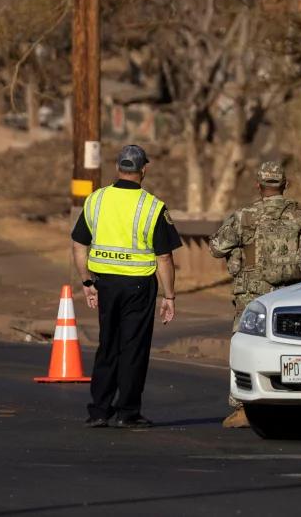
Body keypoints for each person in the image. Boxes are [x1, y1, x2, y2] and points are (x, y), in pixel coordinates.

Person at [209, 160, 301, 428]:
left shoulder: (245, 215)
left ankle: (242, 407)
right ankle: (294, 399)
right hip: (292, 291)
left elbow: (216, 247)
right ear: (286, 185)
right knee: (293, 345)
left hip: (253, 292)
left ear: (258, 185)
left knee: (245, 344)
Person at [71, 144, 182, 429]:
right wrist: (169, 296)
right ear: (144, 169)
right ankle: (127, 412)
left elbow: (79, 244)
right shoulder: (152, 206)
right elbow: (165, 257)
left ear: (118, 168)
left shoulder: (96, 200)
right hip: (138, 287)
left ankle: (98, 411)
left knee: (107, 344)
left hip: (104, 284)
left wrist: (86, 282)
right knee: (133, 348)